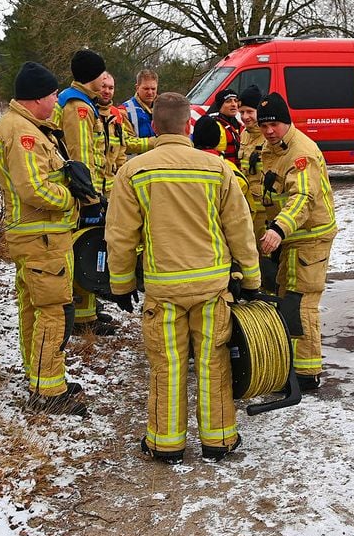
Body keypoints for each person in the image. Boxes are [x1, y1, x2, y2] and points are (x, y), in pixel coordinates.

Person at [104, 92, 261, 464]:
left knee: (167, 364)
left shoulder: (134, 171)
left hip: (164, 289)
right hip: (212, 287)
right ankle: (219, 440)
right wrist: (251, 278)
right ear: (188, 124)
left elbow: (121, 235)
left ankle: (166, 443)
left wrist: (121, 284)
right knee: (213, 362)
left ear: (154, 125)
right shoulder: (217, 169)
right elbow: (239, 227)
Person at [0, 61, 97, 417]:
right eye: (52, 95)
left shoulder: (27, 126)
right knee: (53, 312)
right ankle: (48, 391)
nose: (56, 100)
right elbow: (33, 188)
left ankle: (40, 378)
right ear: (37, 97)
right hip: (42, 236)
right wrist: (72, 199)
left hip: (37, 236)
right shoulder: (24, 134)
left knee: (35, 310)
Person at [256, 92, 337, 391]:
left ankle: (306, 373)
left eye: (274, 124)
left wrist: (278, 228)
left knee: (300, 302)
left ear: (286, 121)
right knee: (288, 297)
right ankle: (295, 366)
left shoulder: (301, 153)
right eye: (264, 126)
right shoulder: (273, 147)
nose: (268, 131)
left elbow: (302, 197)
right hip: (294, 237)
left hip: (309, 237)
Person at [55, 48, 118, 336]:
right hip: (84, 197)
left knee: (94, 248)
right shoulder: (78, 107)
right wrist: (90, 200)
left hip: (93, 192)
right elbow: (80, 157)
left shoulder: (85, 103)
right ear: (93, 76)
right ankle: (82, 318)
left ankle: (89, 309)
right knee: (85, 249)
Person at [237, 84, 270, 238]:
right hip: (248, 208)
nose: (245, 117)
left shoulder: (270, 135)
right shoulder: (244, 134)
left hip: (265, 211)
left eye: (250, 112)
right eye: (241, 112)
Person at [192, 88, 243, 165]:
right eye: (228, 101)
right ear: (220, 105)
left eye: (235, 101)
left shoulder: (239, 125)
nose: (234, 104)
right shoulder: (213, 126)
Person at [121, 69, 160, 139]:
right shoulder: (124, 110)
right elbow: (126, 142)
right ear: (137, 88)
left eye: (153, 89)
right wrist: (155, 142)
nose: (150, 92)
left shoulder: (164, 107)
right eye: (146, 89)